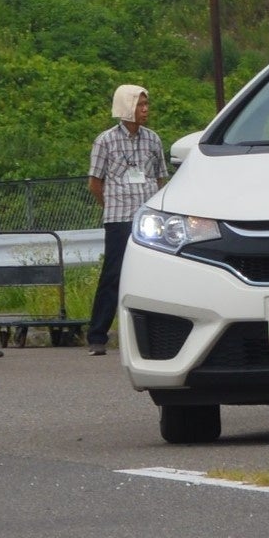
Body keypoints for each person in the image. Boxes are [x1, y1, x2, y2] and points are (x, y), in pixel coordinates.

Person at [85, 84, 165, 353]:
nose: (145, 109)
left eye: (146, 104)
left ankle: (155, 333)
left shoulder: (153, 139)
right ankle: (97, 336)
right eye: (140, 105)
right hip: (119, 218)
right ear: (126, 107)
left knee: (153, 275)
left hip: (148, 220)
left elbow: (160, 177)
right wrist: (110, 205)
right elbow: (95, 183)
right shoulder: (105, 141)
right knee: (113, 275)